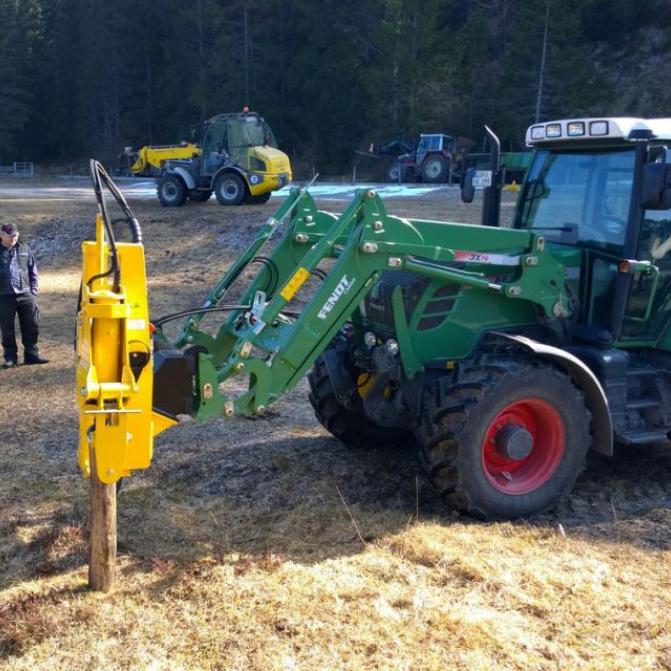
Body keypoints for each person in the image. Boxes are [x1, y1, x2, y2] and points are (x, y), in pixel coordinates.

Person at [0, 223, 48, 368]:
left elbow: (33, 270)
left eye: (15, 235)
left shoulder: (24, 249)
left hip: (26, 294)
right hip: (4, 296)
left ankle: (31, 355)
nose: (14, 238)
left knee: (32, 325)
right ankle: (10, 358)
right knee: (7, 328)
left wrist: (33, 291)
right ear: (1, 235)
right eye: (10, 236)